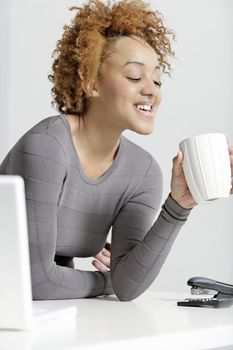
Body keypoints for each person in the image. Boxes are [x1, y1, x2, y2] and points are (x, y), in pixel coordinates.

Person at [0, 0, 232, 301]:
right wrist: (107, 281)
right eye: (135, 77)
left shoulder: (142, 171)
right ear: (91, 82)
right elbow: (36, 280)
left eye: (157, 80)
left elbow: (128, 287)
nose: (152, 90)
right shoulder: (47, 147)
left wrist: (179, 205)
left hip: (33, 312)